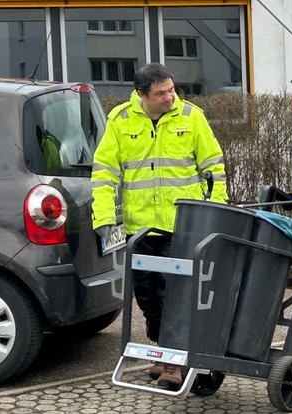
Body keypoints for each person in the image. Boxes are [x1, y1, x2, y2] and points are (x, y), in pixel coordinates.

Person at [91, 62, 227, 390]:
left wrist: (216, 215)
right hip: (140, 229)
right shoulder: (120, 120)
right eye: (161, 93)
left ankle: (173, 362)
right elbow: (104, 173)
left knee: (173, 294)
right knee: (147, 296)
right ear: (141, 95)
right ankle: (162, 350)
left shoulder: (191, 116)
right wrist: (105, 219)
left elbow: (213, 168)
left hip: (182, 226)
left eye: (171, 90)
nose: (170, 97)